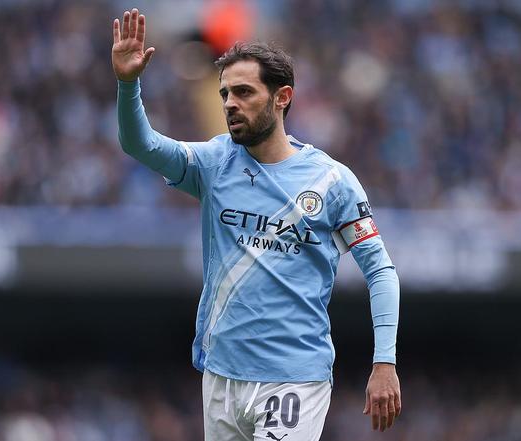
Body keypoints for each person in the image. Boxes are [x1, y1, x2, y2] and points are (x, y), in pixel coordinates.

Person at [112, 8, 401, 440]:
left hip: (293, 378)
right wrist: (127, 83)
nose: (230, 103)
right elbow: (141, 144)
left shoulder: (332, 182)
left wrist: (385, 362)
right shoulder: (214, 163)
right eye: (225, 93)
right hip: (221, 375)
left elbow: (380, 271)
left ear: (282, 97)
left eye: (244, 92)